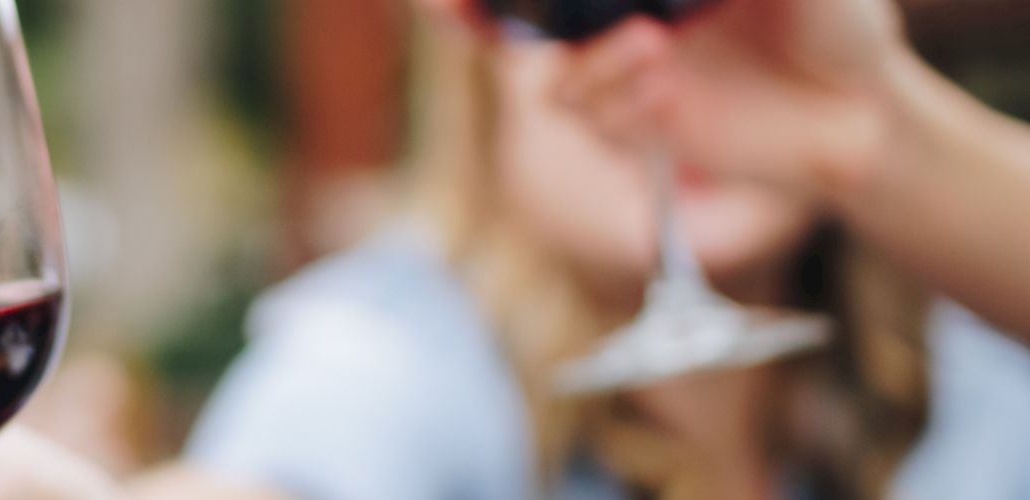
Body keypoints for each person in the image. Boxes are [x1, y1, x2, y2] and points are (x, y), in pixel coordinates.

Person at [140, 0, 1030, 498]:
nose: (664, 86)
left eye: (707, 33)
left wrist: (867, 133)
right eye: (598, 44)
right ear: (484, 90)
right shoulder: (395, 352)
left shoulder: (970, 351)